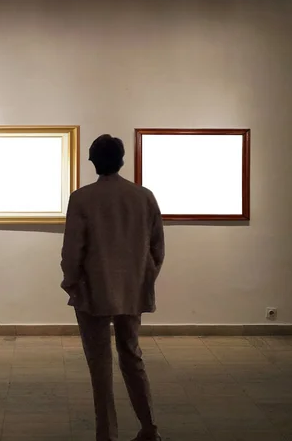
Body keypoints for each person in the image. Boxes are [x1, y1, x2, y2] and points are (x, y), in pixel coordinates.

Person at [60, 134, 165, 441]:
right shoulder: (143, 196)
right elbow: (157, 248)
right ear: (121, 161)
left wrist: (71, 282)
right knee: (132, 356)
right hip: (131, 290)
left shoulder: (82, 198)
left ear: (93, 162)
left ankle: (107, 433)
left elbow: (72, 250)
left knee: (100, 364)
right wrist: (142, 278)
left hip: (92, 290)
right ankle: (149, 427)